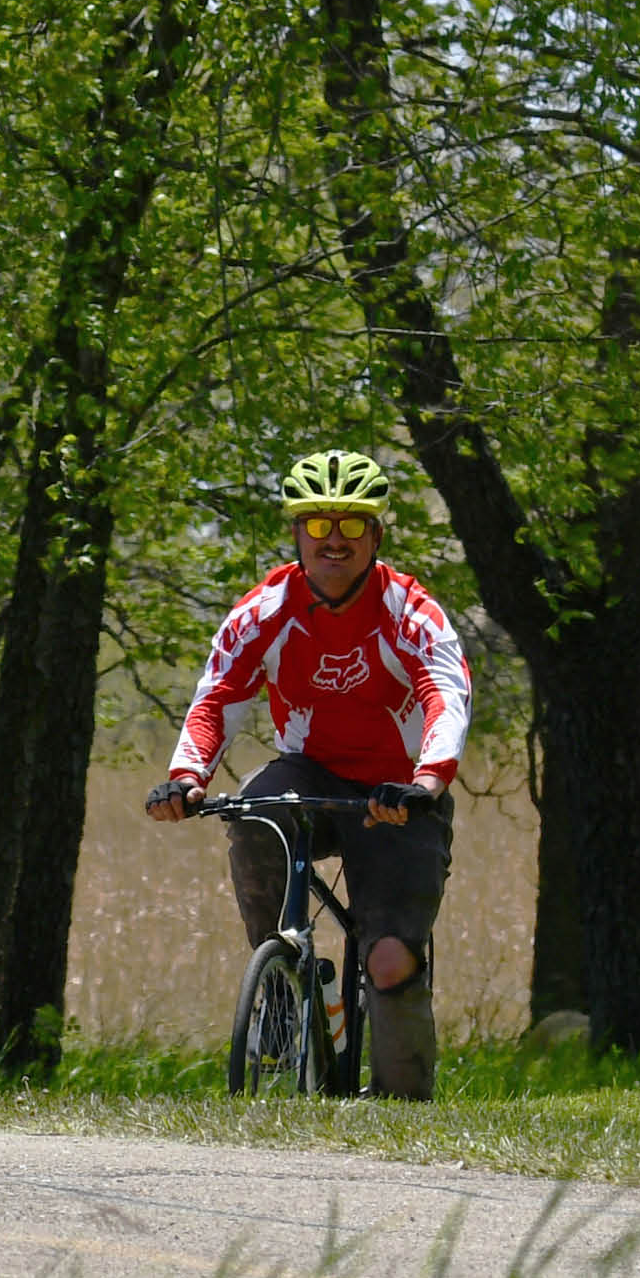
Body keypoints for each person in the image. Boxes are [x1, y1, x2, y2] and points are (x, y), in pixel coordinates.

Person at [145, 450, 471, 1098]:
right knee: (255, 814)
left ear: (377, 535)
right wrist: (186, 778)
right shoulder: (264, 610)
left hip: (398, 790)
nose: (335, 542)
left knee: (388, 960)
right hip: (311, 772)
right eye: (318, 526)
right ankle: (282, 981)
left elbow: (447, 695)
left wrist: (426, 783)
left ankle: (401, 1107)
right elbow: (217, 697)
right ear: (295, 533)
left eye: (352, 526)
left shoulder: (410, 611)